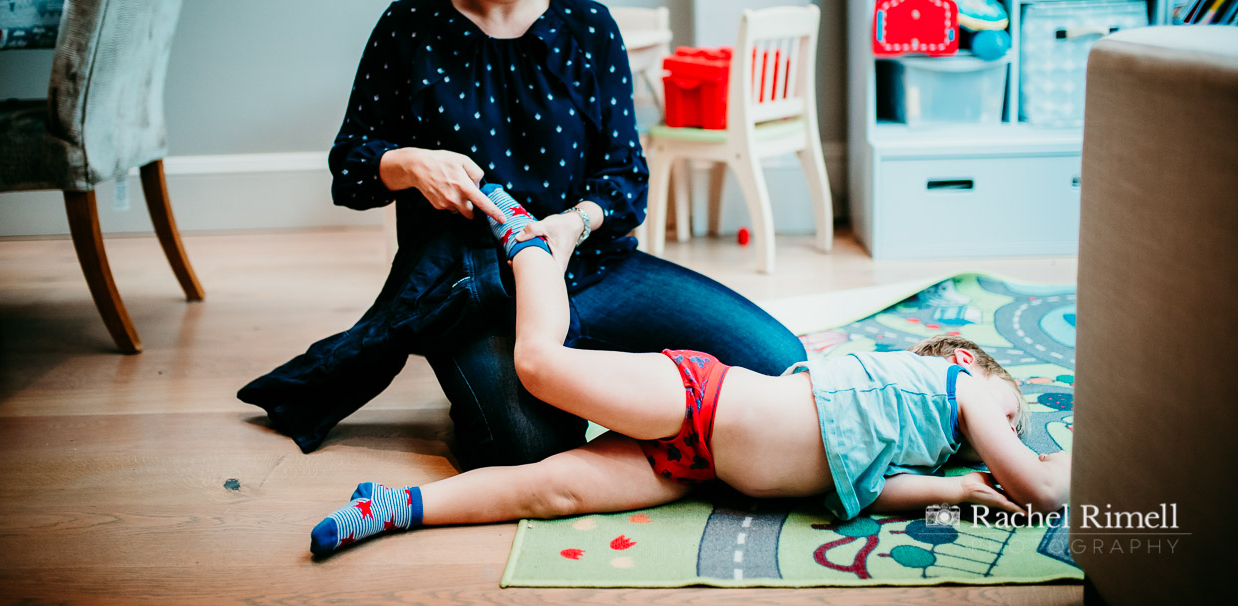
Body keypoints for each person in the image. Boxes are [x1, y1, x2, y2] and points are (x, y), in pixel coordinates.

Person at [237, 0, 807, 468]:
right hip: (474, 290)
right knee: (528, 450)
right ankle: (561, 380)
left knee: (783, 368)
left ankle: (591, 372)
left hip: (590, 267)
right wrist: (405, 163)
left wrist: (570, 227)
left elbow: (626, 178)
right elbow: (351, 167)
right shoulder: (407, 28)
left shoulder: (589, 27)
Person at [307, 188, 1071, 556]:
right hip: (700, 397)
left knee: (552, 489)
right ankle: (531, 243)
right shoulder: (954, 387)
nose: (1001, 438)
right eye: (1010, 421)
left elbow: (866, 486)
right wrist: (1092, 467)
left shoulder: (923, 443)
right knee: (540, 363)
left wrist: (955, 490)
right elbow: (1037, 489)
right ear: (969, 363)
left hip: (703, 468)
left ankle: (396, 507)